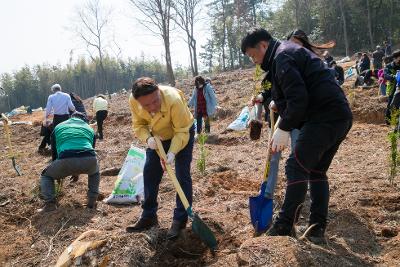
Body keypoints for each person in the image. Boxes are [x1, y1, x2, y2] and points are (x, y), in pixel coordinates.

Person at [241, 28, 352, 243]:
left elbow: (298, 99)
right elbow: (291, 93)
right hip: (339, 115)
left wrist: (283, 127)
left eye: (253, 55)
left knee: (295, 166)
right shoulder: (284, 55)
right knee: (317, 171)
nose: (254, 61)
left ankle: (284, 225)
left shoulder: (283, 56)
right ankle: (316, 228)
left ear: (263, 46)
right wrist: (276, 103)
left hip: (324, 116)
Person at [126, 77, 195, 240]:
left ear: (158, 91)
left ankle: (180, 219)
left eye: (155, 102)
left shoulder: (174, 100)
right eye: (146, 105)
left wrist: (172, 153)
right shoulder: (134, 101)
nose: (152, 108)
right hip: (158, 138)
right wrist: (147, 138)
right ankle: (149, 215)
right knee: (150, 172)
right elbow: (139, 125)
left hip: (182, 133)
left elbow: (181, 132)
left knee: (181, 175)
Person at [38, 111, 99, 212]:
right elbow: (89, 151)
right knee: (95, 172)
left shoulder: (59, 127)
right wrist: (77, 172)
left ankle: (50, 204)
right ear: (84, 120)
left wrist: (57, 171)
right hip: (89, 159)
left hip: (65, 159)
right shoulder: (89, 128)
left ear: (71, 118)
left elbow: (54, 152)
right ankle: (92, 201)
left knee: (46, 176)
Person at [385, 50, 400, 123]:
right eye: (398, 58)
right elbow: (385, 75)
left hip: (399, 88)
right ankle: (388, 121)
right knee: (390, 104)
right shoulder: (389, 66)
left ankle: (397, 121)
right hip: (392, 87)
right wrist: (394, 76)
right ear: (395, 58)